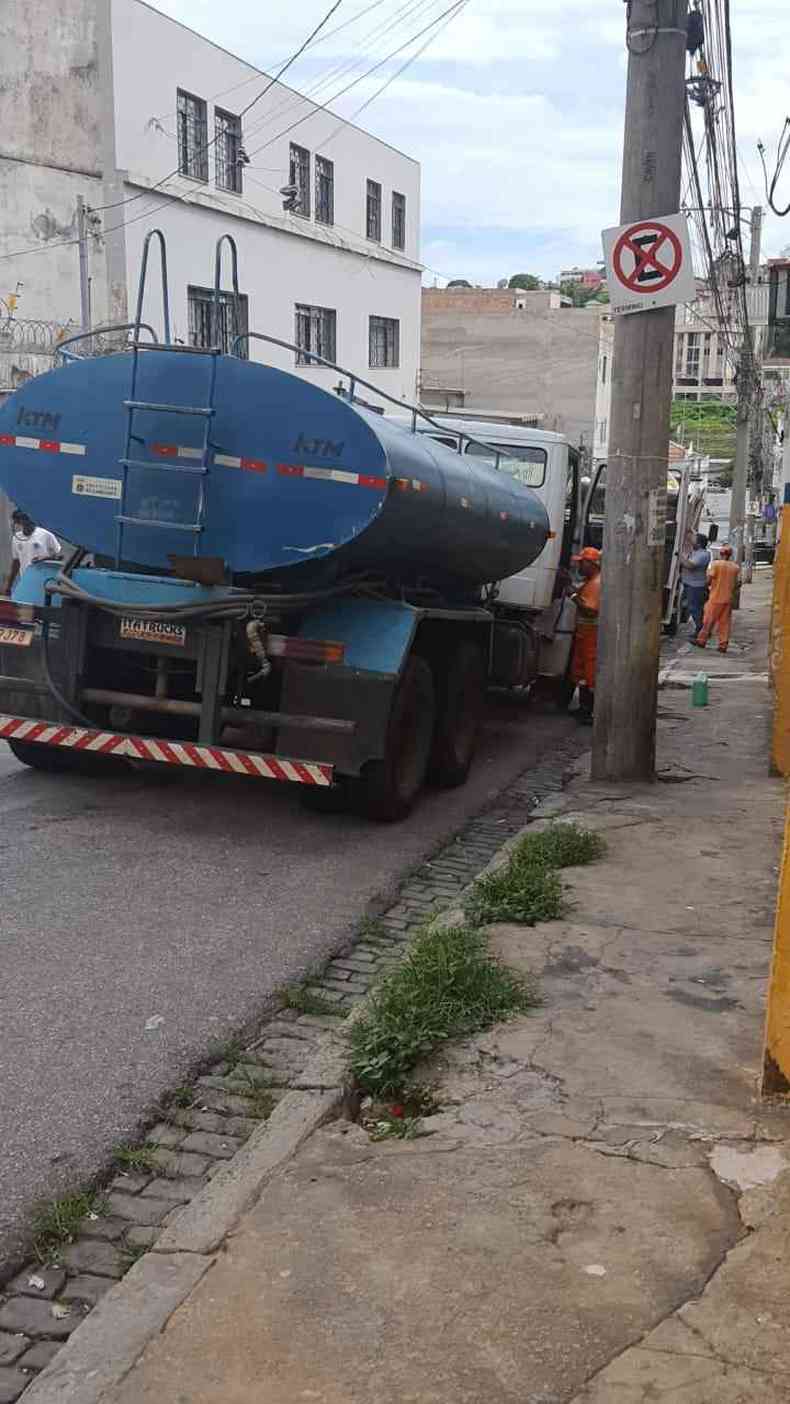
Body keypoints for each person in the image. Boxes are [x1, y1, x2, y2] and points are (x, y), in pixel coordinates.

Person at [569, 546, 602, 724]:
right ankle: (584, 709)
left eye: (582, 563)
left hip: (591, 636)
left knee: (590, 675)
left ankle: (590, 711)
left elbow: (590, 611)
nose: (579, 567)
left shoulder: (597, 583)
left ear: (591, 564)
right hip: (585, 635)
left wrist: (573, 595)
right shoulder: (592, 581)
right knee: (582, 674)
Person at [694, 543, 739, 653]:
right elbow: (737, 584)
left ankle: (701, 640)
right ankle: (723, 645)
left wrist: (705, 586)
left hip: (715, 598)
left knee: (708, 620)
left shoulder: (716, 564)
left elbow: (709, 580)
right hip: (727, 599)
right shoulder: (735, 567)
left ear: (721, 554)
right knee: (724, 623)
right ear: (730, 555)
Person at [3, 510, 61, 596]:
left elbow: (59, 556)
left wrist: (44, 558)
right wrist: (9, 585)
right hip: (26, 582)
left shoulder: (45, 535)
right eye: (20, 520)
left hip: (44, 581)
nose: (25, 522)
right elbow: (16, 562)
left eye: (26, 519)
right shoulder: (17, 538)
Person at [680, 532, 710, 637]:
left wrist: (678, 556)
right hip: (690, 585)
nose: (692, 541)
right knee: (692, 607)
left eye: (694, 539)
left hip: (696, 587)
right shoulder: (696, 552)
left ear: (699, 543)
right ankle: (702, 630)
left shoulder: (703, 554)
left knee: (695, 608)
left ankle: (701, 631)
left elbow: (690, 565)